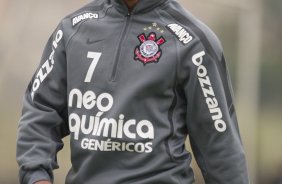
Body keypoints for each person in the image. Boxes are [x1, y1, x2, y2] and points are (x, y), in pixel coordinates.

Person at [16, 0, 250, 183]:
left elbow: (220, 148)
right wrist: (36, 176)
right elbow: (40, 110)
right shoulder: (73, 29)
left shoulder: (193, 43)